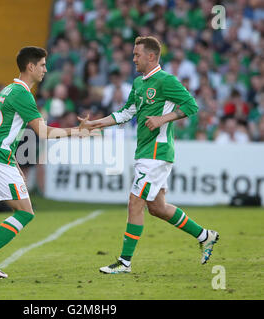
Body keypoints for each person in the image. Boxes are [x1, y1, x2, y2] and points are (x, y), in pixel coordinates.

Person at [0, 46, 88, 282]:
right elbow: (43, 132)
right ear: (30, 67)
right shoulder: (22, 93)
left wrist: (15, 164)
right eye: (42, 65)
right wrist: (77, 132)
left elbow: (2, 132)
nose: (45, 69)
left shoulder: (8, 90)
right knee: (25, 213)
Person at [79, 36, 219, 274]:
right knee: (157, 208)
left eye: (137, 55)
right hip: (145, 151)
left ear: (151, 56)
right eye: (133, 54)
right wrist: (95, 124)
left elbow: (192, 105)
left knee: (135, 202)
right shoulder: (138, 83)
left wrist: (162, 119)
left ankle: (124, 262)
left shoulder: (166, 80)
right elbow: (125, 113)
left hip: (157, 151)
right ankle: (205, 235)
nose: (133, 59)